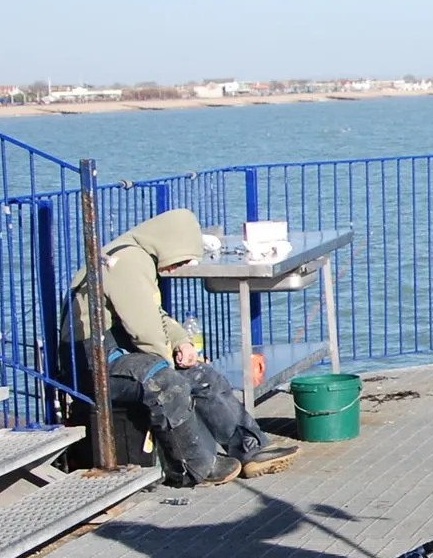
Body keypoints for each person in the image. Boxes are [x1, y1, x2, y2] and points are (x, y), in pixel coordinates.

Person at [69, 208, 300, 485]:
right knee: (167, 381)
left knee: (201, 374)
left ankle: (251, 447)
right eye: (180, 260)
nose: (178, 268)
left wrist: (181, 342)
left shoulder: (139, 258)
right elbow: (145, 329)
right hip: (96, 361)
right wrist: (168, 359)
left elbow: (155, 315)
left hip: (121, 351)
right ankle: (198, 467)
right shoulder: (125, 261)